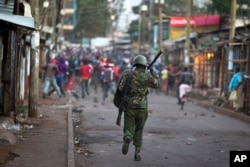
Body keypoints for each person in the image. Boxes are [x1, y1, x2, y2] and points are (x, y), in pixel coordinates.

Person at [117, 55, 160, 161]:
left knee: (129, 127)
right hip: (142, 107)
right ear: (144, 65)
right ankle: (137, 154)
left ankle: (127, 137)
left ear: (135, 63)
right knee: (139, 129)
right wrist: (152, 71)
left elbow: (120, 88)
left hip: (130, 106)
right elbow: (157, 84)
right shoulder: (147, 76)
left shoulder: (127, 73)